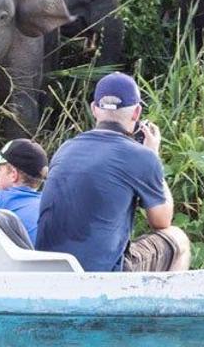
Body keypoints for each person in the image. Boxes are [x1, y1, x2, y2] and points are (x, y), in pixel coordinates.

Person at [36, 72, 191, 272]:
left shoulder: (65, 148)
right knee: (179, 239)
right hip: (102, 276)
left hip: (49, 271)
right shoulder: (141, 156)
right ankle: (165, 304)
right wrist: (154, 155)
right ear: (136, 113)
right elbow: (161, 221)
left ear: (94, 109)